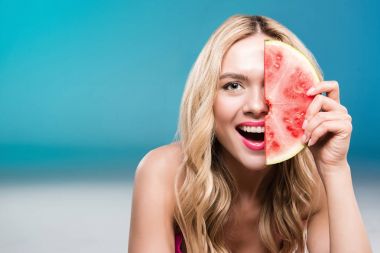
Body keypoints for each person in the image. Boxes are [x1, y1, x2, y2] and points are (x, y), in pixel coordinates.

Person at [128, 15, 372, 253]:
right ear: (207, 98)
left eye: (274, 85)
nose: (256, 106)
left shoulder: (310, 181)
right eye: (233, 86)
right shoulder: (163, 173)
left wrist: (335, 169)